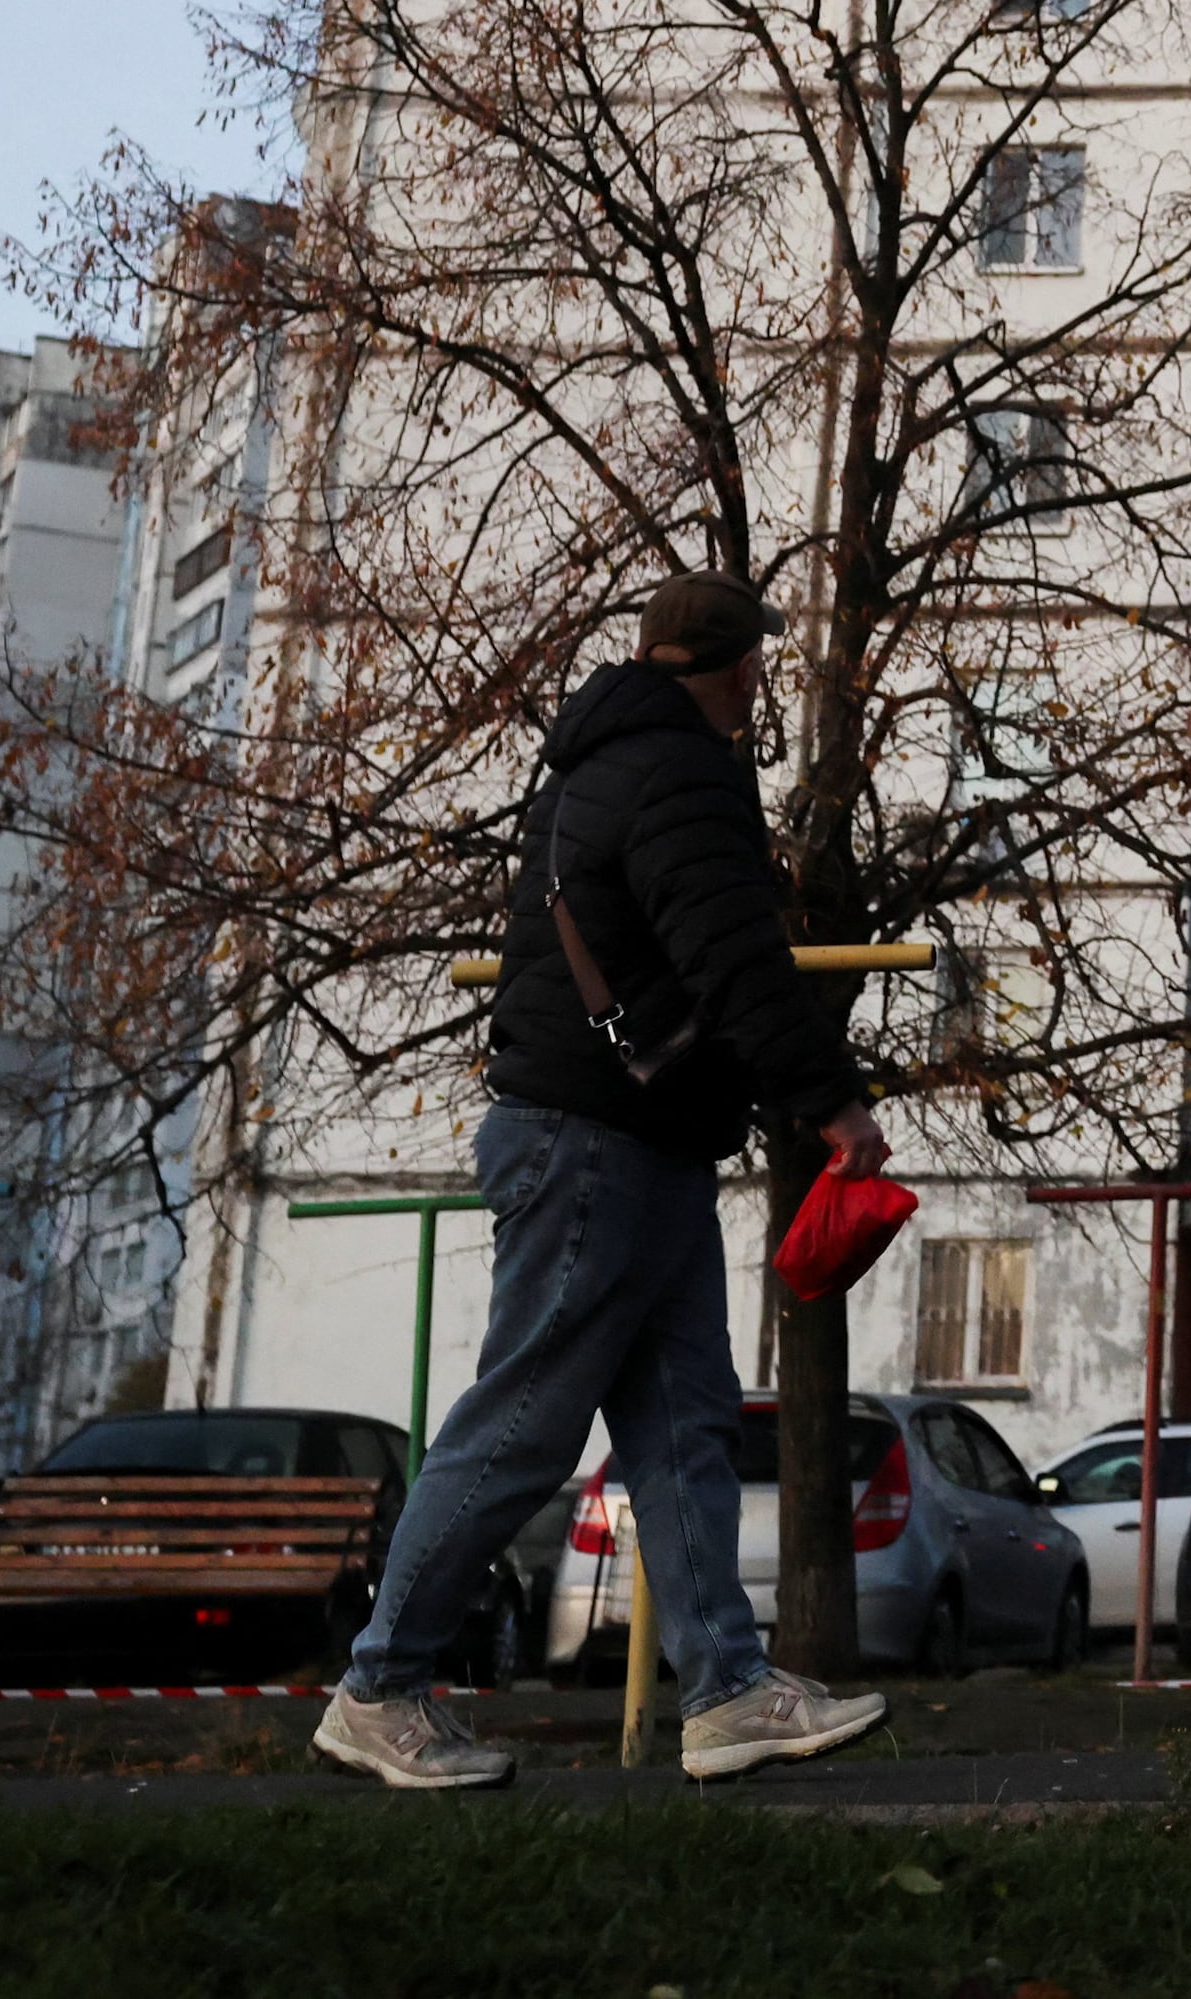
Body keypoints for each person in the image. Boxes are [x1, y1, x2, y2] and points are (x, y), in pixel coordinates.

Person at [317, 572, 897, 1791]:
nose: (758, 682)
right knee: (526, 1420)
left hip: (645, 1138)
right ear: (719, 664)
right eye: (748, 662)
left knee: (686, 1427)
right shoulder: (676, 768)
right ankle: (379, 1685)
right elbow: (733, 951)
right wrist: (832, 1100)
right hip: (592, 1139)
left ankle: (729, 1688)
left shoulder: (599, 760)